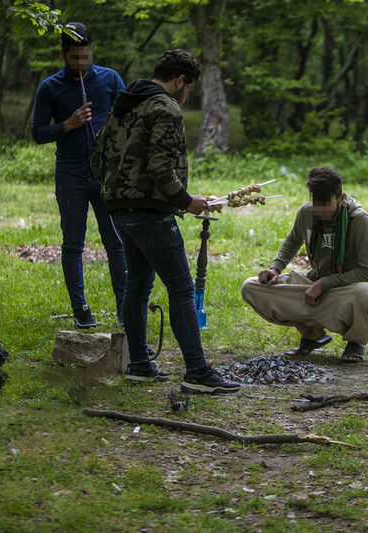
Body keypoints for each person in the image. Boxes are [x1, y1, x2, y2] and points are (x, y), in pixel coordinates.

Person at [90, 49, 239, 394]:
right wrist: (187, 201)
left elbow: (98, 157)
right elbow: (160, 167)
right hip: (149, 213)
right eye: (188, 87)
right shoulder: (166, 108)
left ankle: (139, 364)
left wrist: (122, 190)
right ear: (179, 80)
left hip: (119, 207)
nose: (187, 95)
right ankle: (198, 372)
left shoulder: (124, 103)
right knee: (182, 288)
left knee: (138, 286)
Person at [32, 22, 127, 329]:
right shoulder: (50, 87)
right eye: (75, 58)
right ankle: (80, 308)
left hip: (105, 174)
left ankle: (125, 307)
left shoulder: (110, 79)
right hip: (70, 173)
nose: (81, 64)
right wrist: (68, 125)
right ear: (62, 53)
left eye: (85, 57)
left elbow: (129, 118)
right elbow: (37, 133)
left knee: (116, 242)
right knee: (73, 244)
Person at [241, 167, 368, 362]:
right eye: (317, 203)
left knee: (366, 294)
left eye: (326, 203)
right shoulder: (307, 213)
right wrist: (275, 269)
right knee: (251, 287)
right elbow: (293, 241)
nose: (321, 209)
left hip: (346, 291)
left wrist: (324, 284)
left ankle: (356, 342)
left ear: (340, 198)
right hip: (312, 287)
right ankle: (313, 334)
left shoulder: (360, 221)